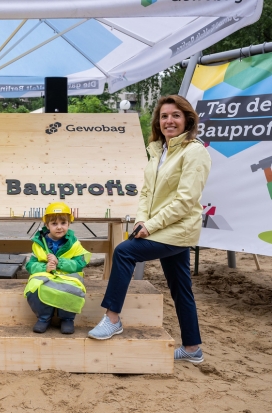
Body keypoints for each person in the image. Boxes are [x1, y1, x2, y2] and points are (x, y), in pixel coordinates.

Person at [88, 95, 212, 364]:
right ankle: (193, 348)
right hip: (157, 226)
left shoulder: (195, 152)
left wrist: (151, 225)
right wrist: (141, 220)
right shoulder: (158, 150)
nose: (169, 121)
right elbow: (146, 192)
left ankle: (112, 318)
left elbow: (185, 201)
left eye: (176, 116)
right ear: (158, 121)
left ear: (187, 120)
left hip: (177, 230)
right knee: (181, 287)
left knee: (124, 252)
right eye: (164, 116)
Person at [24, 202, 90, 334]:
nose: (59, 227)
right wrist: (44, 267)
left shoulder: (74, 243)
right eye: (54, 224)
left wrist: (60, 262)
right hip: (46, 274)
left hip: (68, 276)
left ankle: (67, 318)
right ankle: (43, 318)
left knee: (72, 289)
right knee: (34, 288)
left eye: (63, 223)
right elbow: (30, 265)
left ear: (69, 224)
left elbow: (80, 263)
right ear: (47, 225)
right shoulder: (39, 243)